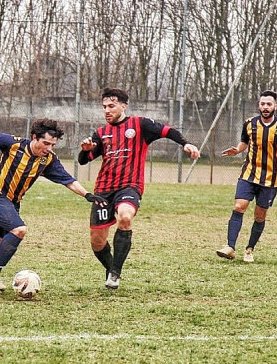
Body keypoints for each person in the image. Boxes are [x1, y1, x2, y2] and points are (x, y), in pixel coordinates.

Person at [0, 118, 107, 291]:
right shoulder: (14, 144)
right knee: (19, 230)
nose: (49, 148)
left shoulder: (47, 160)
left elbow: (68, 180)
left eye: (53, 145)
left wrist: (87, 194)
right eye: (46, 143)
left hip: (13, 202)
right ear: (35, 137)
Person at [78, 87, 200, 290]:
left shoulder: (140, 125)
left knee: (125, 217)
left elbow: (167, 131)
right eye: (104, 107)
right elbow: (84, 160)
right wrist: (85, 151)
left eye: (112, 106)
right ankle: (111, 269)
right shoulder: (101, 133)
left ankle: (116, 273)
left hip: (130, 186)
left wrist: (185, 144)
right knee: (97, 242)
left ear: (123, 106)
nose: (107, 110)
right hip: (103, 190)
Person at [215, 90, 277, 263]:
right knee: (239, 206)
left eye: (269, 104)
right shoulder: (249, 124)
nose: (265, 107)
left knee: (259, 216)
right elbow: (244, 142)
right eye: (262, 104)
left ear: (275, 106)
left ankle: (249, 249)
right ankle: (230, 247)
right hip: (248, 175)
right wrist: (237, 150)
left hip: (270, 179)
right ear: (259, 105)